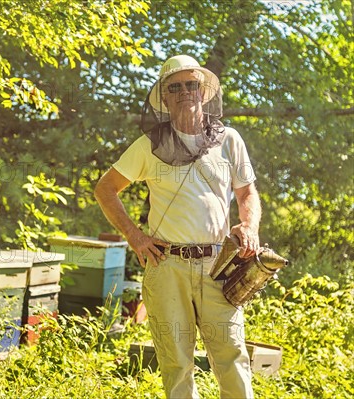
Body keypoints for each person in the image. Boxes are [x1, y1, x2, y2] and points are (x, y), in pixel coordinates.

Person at [94, 55, 261, 398]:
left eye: (191, 85)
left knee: (231, 355)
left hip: (219, 265)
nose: (185, 91)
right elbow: (105, 189)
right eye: (175, 87)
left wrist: (248, 226)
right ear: (164, 97)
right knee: (176, 362)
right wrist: (134, 236)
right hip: (166, 265)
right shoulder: (147, 147)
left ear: (203, 92)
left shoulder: (229, 140)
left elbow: (247, 192)